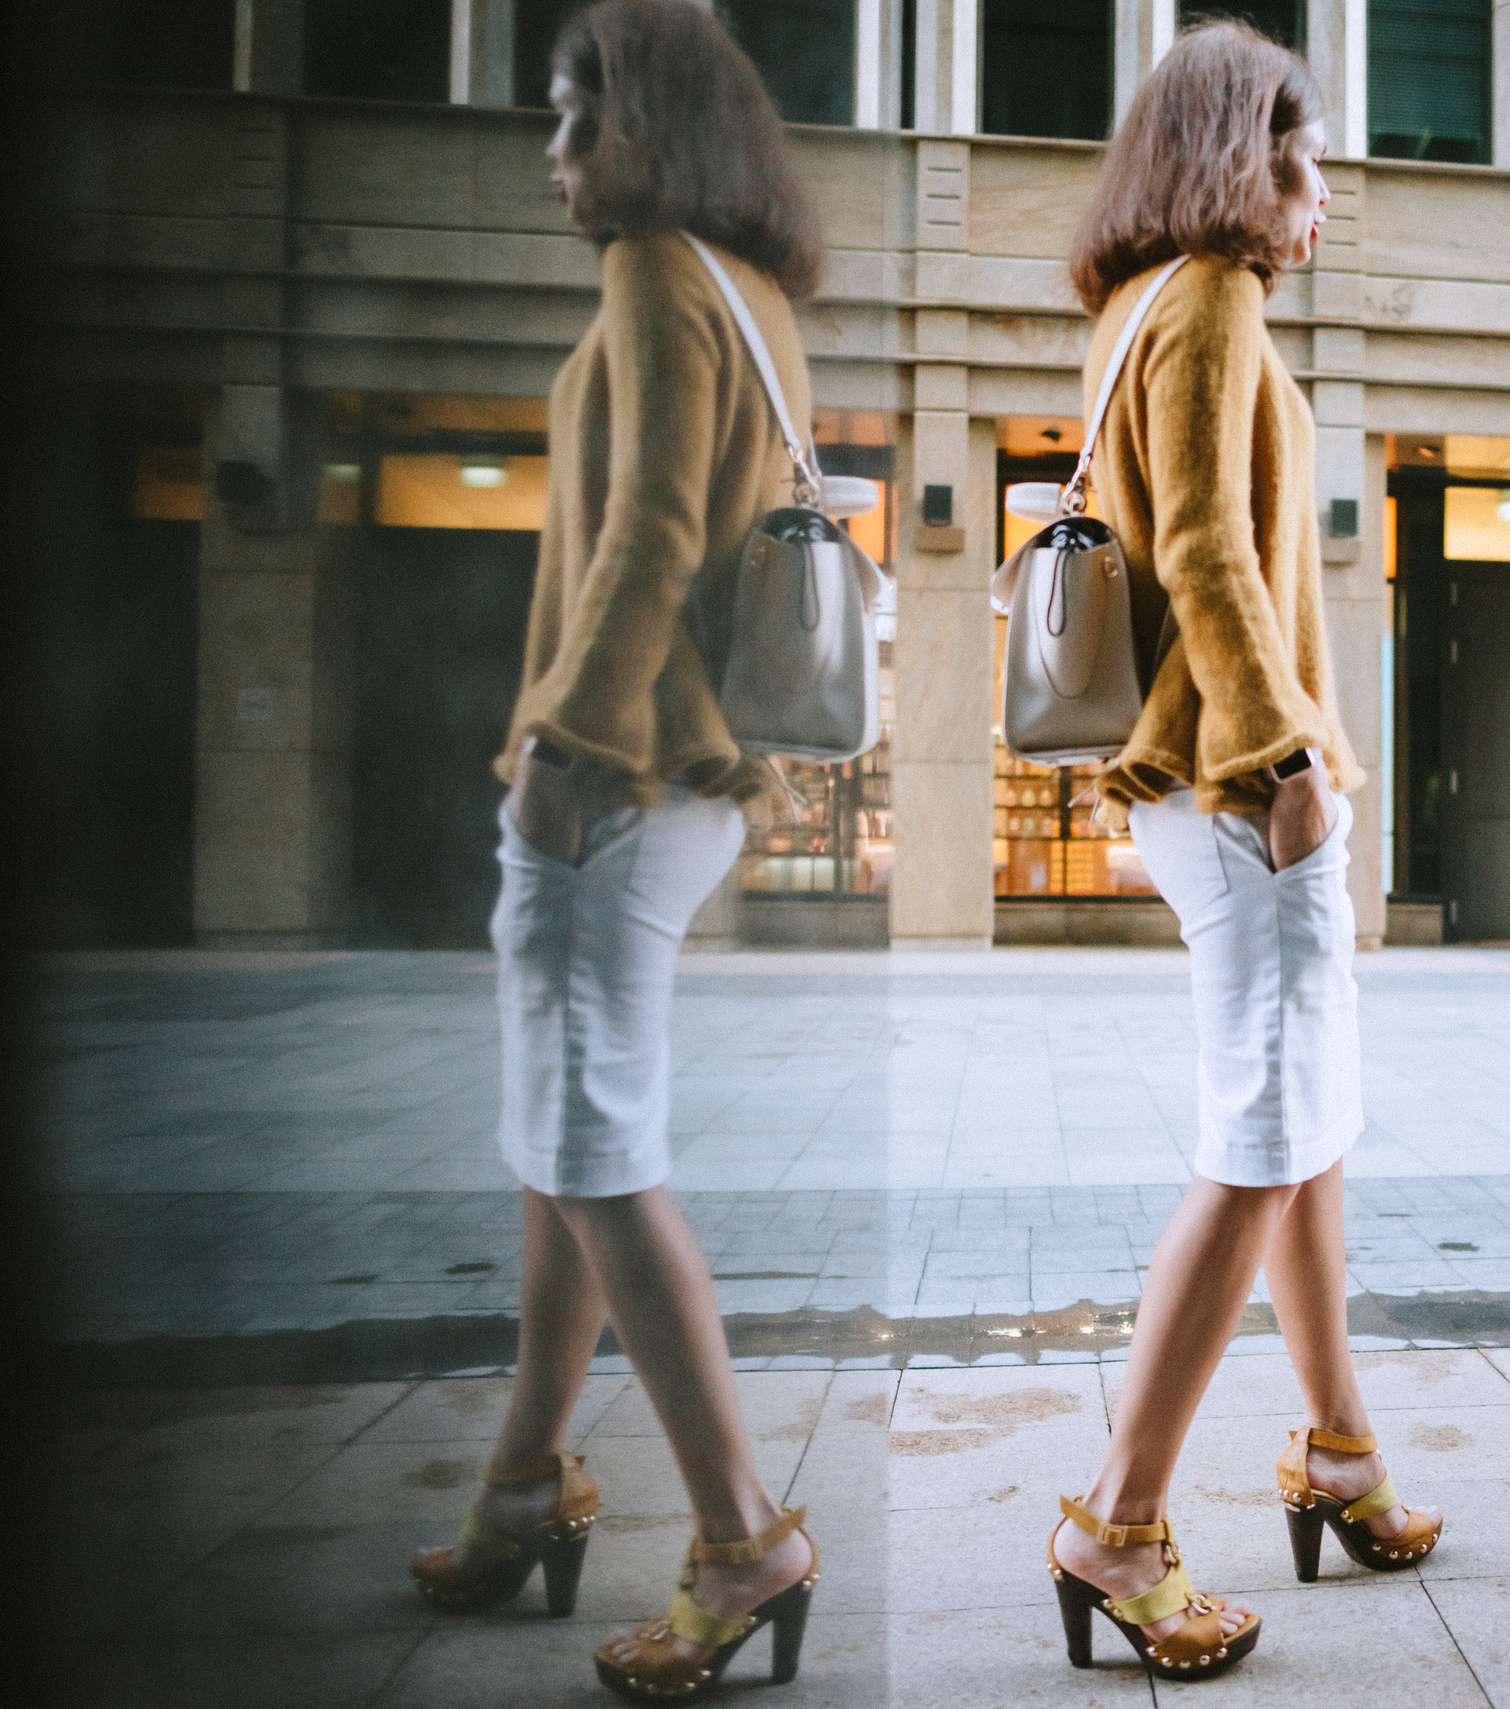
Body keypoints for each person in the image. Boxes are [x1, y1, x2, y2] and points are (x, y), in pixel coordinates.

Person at [407, 4, 822, 1700]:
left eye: (576, 118)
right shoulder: (754, 289)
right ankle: (524, 1480)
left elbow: (649, 525)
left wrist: (562, 748)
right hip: (686, 777)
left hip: (622, 775)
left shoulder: (657, 270)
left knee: (594, 1149)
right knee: (560, 1144)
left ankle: (740, 1535)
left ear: (649, 126)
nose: (553, 154)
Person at [1038, 22, 1442, 1684]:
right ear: (1242, 158)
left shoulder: (1138, 304)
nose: (1323, 190)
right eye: (1306, 155)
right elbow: (1204, 544)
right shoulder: (1207, 294)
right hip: (1235, 781)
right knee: (1263, 1136)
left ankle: (1338, 1451)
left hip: (1213, 777)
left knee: (1303, 1125)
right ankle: (1120, 1523)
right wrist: (1284, 759)